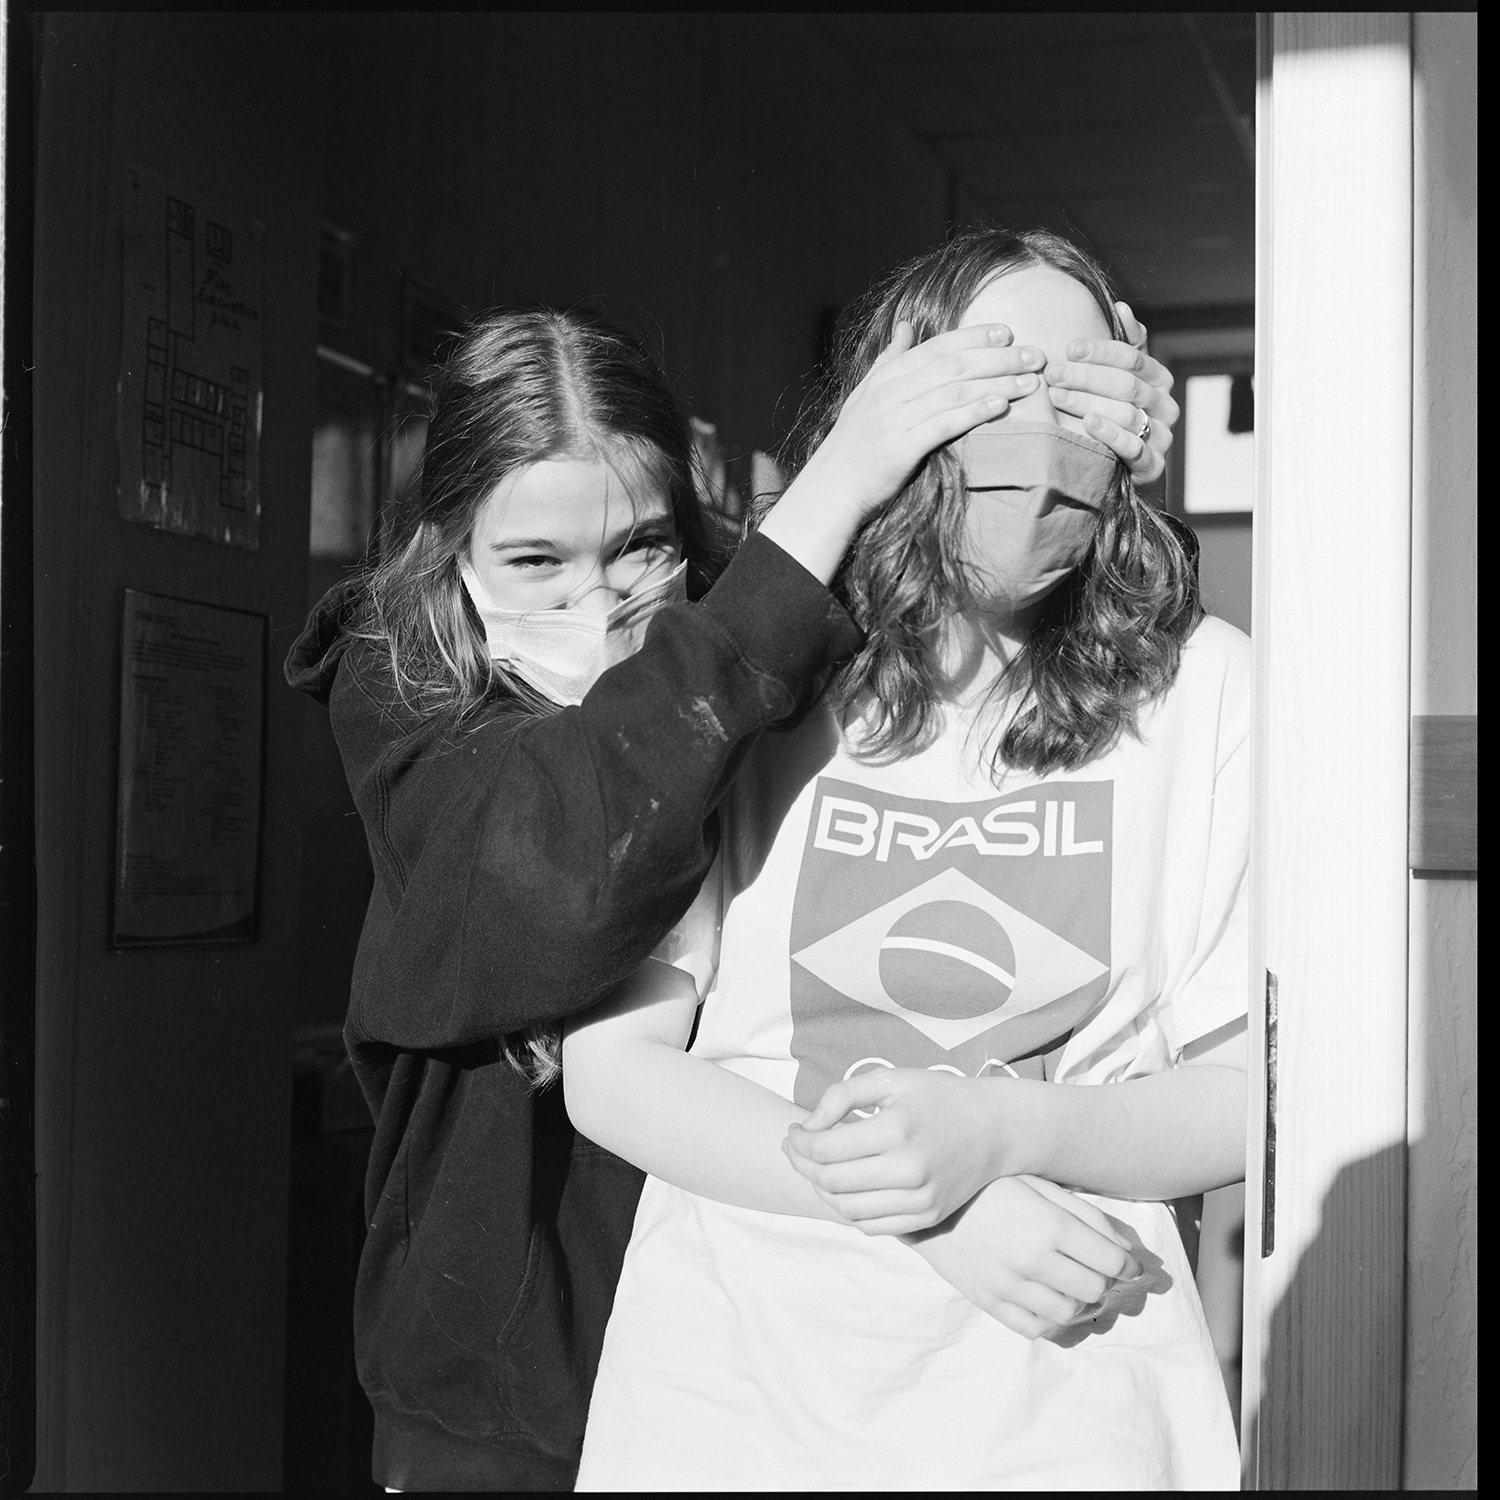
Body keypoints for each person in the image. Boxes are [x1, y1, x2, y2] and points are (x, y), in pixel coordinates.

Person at [285, 302, 1174, 1491]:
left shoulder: (777, 650)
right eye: (537, 561)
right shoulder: (403, 693)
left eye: (642, 546)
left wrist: (1091, 471)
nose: (599, 599)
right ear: (448, 550)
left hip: (750, 1347)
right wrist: (830, 490)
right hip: (506, 1383)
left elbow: (1019, 646)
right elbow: (564, 875)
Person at [565, 228, 1247, 1491]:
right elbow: (614, 1074)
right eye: (995, 382)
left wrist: (1004, 1128)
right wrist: (933, 1204)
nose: (1036, 437)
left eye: (1077, 392)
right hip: (736, 1396)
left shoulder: (1204, 688)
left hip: (1071, 1396)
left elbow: (1244, 1093)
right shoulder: (752, 673)